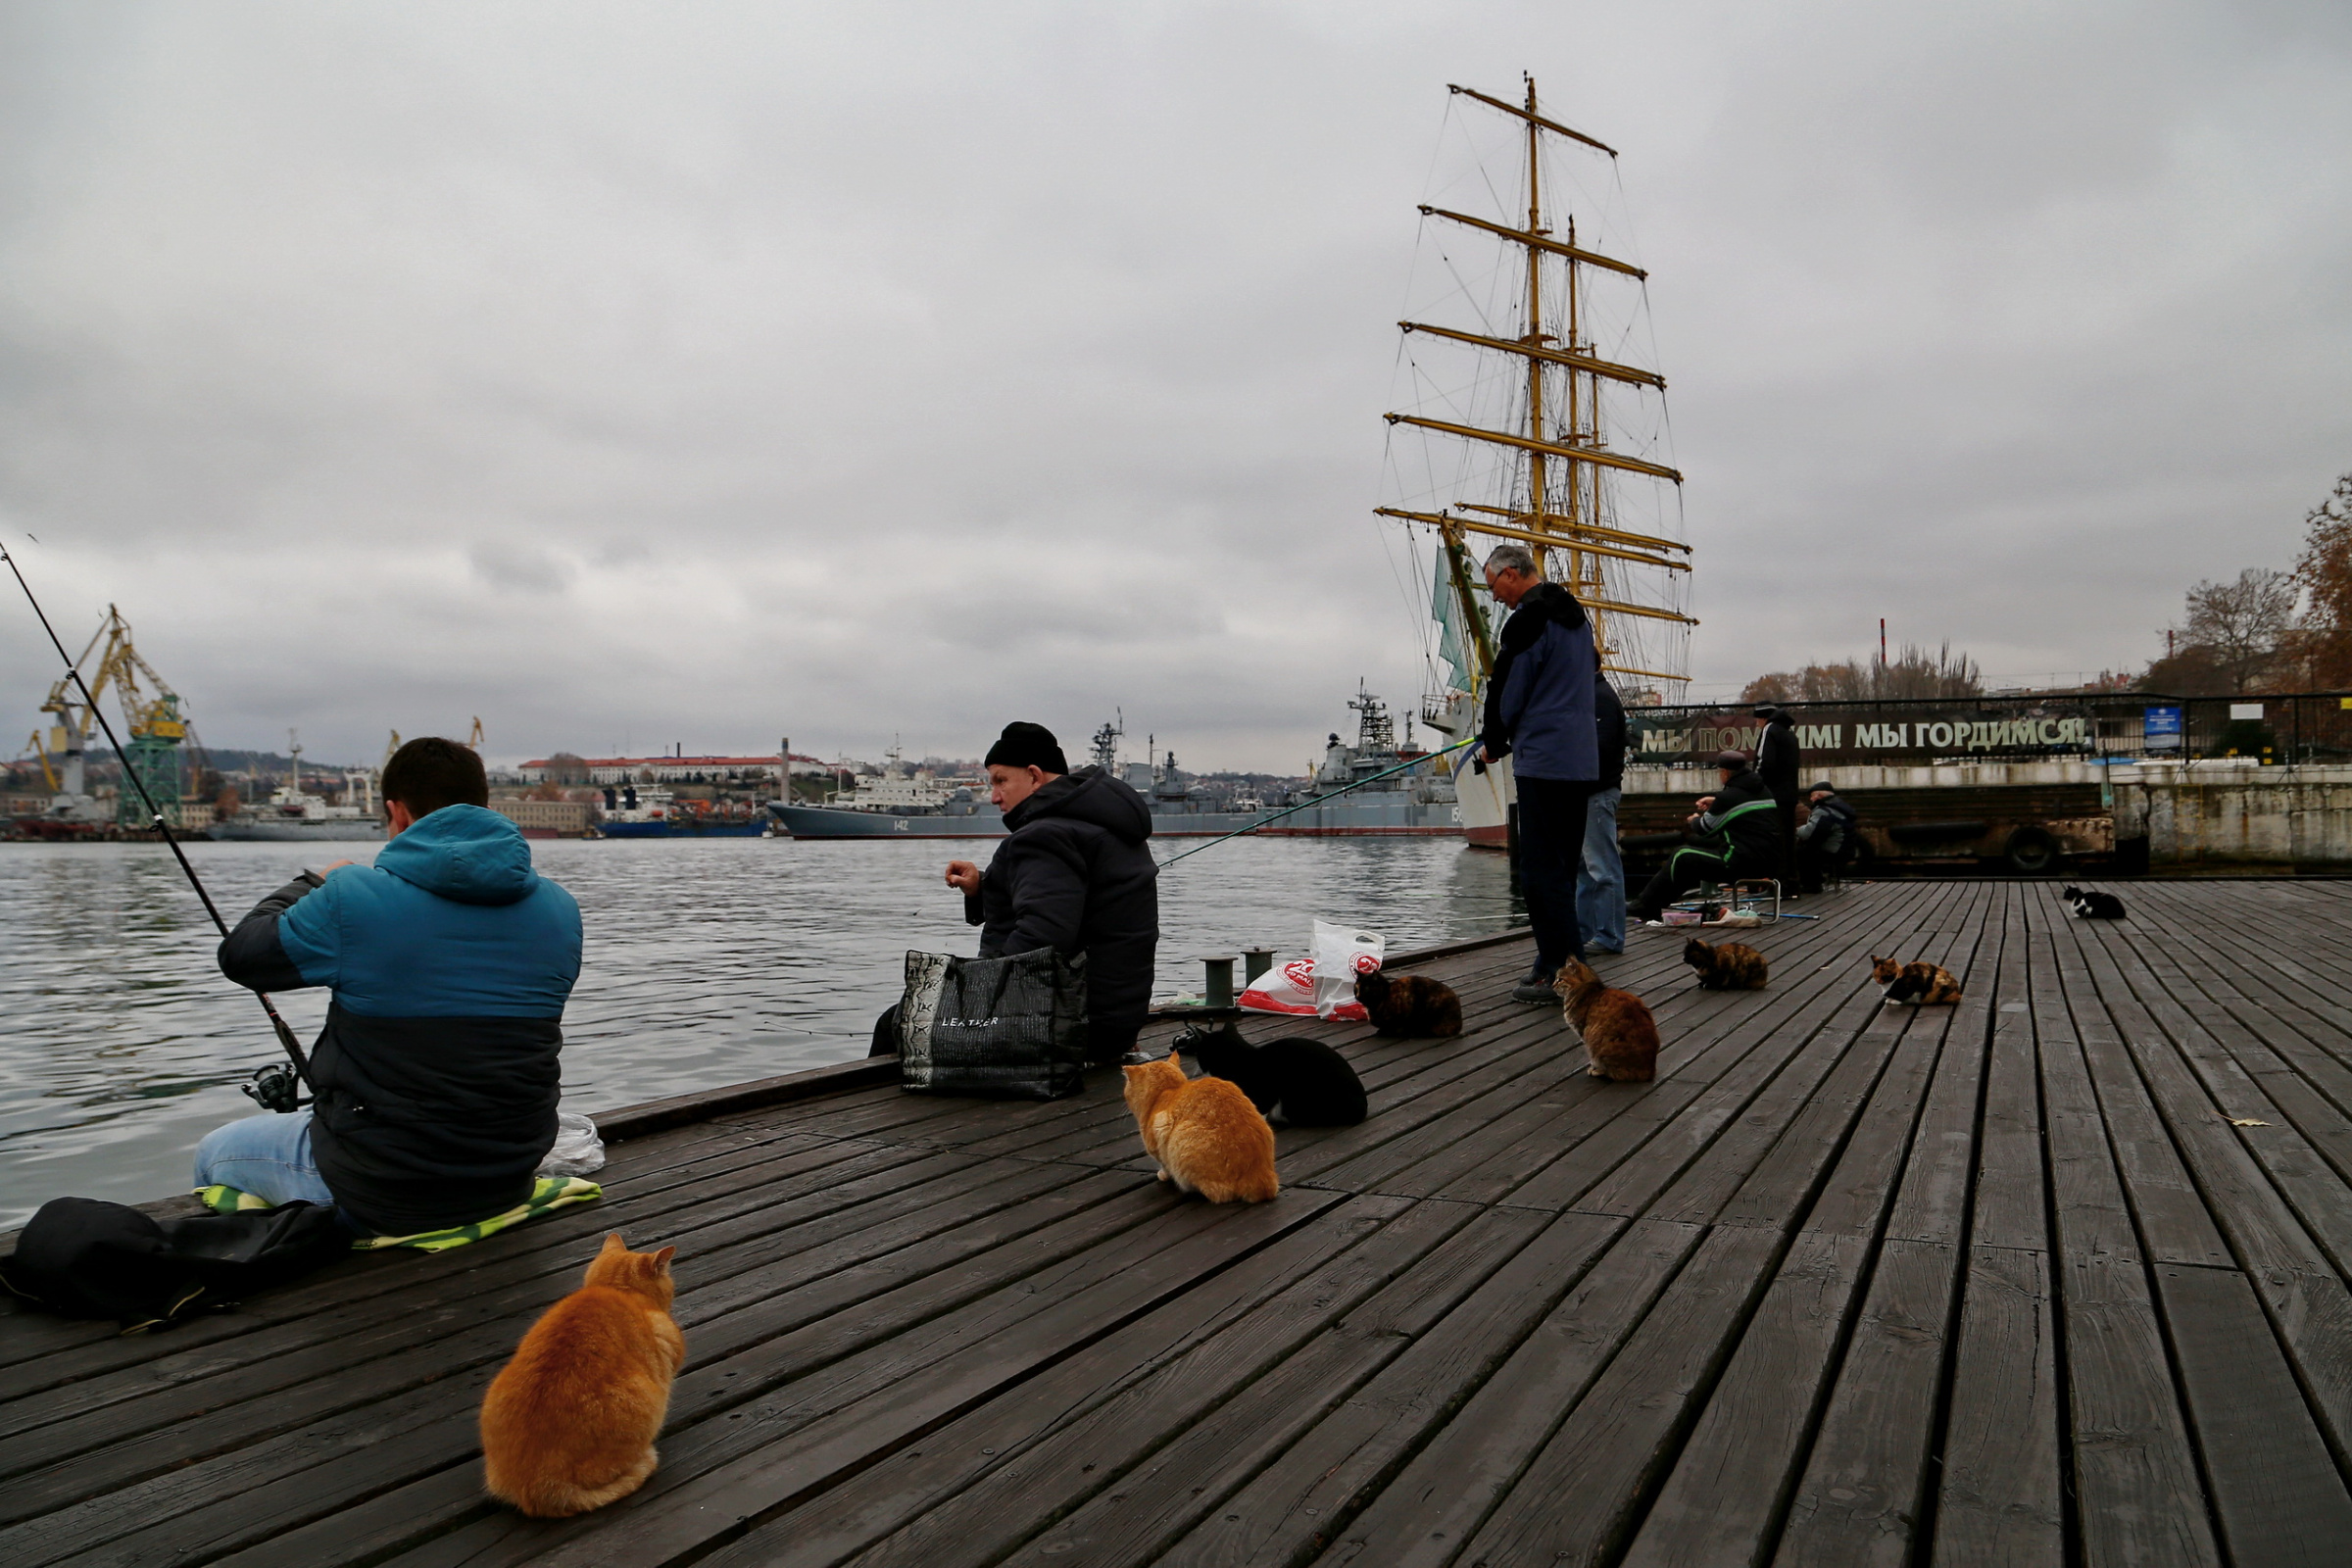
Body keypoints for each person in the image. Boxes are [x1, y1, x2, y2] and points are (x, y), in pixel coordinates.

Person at [197, 737, 583, 1237]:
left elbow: (241, 956)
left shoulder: (351, 897)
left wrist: (314, 882)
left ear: (396, 812)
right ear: (483, 806)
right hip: (507, 1178)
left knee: (213, 1155)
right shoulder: (561, 910)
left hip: (385, 1189)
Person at [940, 721, 1159, 1064]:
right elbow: (1081, 906)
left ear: (1033, 775)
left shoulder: (1045, 834)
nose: (994, 796)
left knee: (898, 1024)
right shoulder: (1104, 824)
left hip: (1068, 1027)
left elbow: (1042, 939)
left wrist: (981, 995)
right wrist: (983, 887)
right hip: (1115, 1023)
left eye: (1000, 781)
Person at [1476, 544, 1599, 1004]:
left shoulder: (1528, 620)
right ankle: (1563, 960)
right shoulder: (1576, 619)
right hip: (1579, 760)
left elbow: (1510, 688)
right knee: (1563, 868)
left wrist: (1494, 740)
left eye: (1493, 588)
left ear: (1511, 574)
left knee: (1539, 871)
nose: (1497, 598)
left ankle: (1559, 969)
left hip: (1543, 759)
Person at [1628, 749, 1782, 923]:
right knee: (1691, 860)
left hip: (1739, 863)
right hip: (1769, 864)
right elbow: (1741, 811)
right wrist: (1716, 802)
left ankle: (1645, 904)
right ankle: (1652, 905)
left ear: (1724, 772)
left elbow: (1705, 828)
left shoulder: (1728, 797)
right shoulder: (1763, 791)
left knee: (1683, 855)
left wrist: (1694, 820)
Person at [1575, 656, 1629, 956]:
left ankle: (1608, 936)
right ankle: (1587, 932)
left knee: (1602, 867)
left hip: (1597, 793)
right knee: (1586, 869)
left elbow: (1601, 746)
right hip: (1589, 794)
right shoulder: (1593, 696)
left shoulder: (1601, 698)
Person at [1753, 704, 1801, 893]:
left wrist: (1755, 785)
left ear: (1764, 718)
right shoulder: (1790, 734)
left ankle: (1776, 883)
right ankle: (1791, 882)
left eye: (1757, 720)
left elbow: (1765, 762)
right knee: (1788, 839)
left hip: (1772, 795)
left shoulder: (1769, 730)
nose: (1757, 725)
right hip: (1790, 795)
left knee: (1772, 840)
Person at [1795, 780, 1859, 893]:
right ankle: (1816, 881)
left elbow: (1810, 833)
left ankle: (1812, 885)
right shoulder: (1839, 807)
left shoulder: (1824, 811)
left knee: (1800, 853)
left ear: (1818, 795)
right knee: (1808, 850)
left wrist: (1795, 830)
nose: (1811, 799)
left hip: (1834, 851)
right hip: (1846, 850)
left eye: (1812, 796)